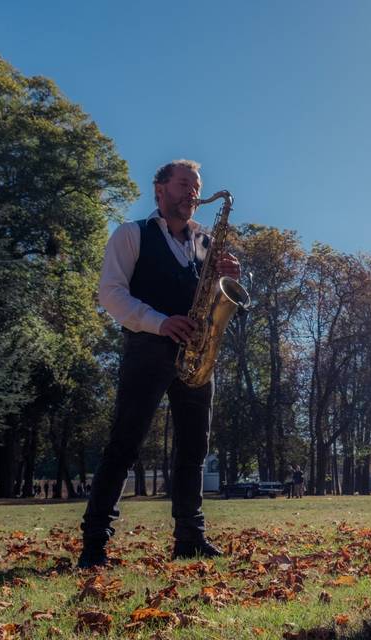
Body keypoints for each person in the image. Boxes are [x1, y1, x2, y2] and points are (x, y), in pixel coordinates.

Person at [77, 159, 241, 569]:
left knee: (194, 448)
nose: (193, 192)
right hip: (148, 349)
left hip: (196, 352)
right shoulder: (131, 235)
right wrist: (160, 322)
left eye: (197, 185)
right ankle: (95, 544)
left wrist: (233, 274)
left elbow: (216, 293)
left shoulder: (207, 241)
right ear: (160, 189)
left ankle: (190, 537)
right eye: (184, 184)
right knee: (124, 445)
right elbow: (111, 295)